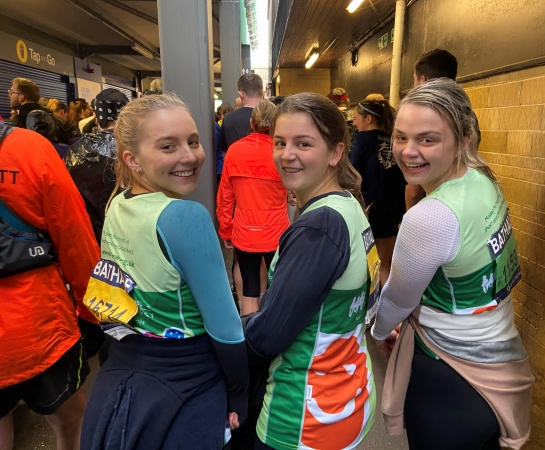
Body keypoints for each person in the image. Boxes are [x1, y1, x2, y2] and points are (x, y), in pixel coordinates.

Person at [371, 78, 534, 450]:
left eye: (427, 139)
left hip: (448, 380)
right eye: (400, 137)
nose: (408, 152)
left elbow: (397, 300)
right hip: (499, 365)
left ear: (463, 140)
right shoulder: (483, 180)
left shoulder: (429, 216)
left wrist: (380, 332)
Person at [80, 94, 249, 449]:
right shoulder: (185, 217)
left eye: (193, 141)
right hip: (187, 381)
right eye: (168, 146)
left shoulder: (118, 203)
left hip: (122, 378)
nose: (189, 156)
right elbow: (227, 328)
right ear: (132, 159)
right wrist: (239, 392)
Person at [244, 93, 378, 449]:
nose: (287, 154)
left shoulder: (318, 228)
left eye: (303, 143)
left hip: (302, 419)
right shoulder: (350, 204)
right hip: (347, 395)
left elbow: (269, 335)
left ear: (335, 153)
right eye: (280, 142)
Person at [0, 123, 101, 450]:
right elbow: (76, 242)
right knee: (71, 424)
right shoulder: (30, 150)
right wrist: (94, 311)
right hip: (40, 330)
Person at [217, 100, 289, 315]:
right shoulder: (281, 153)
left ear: (251, 122)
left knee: (249, 289)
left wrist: (226, 230)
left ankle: (248, 339)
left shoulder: (235, 151)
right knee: (278, 288)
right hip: (277, 230)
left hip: (244, 230)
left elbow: (225, 197)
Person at [351, 99, 406, 288]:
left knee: (365, 263)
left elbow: (353, 174)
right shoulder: (394, 140)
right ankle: (391, 310)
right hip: (392, 209)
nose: (353, 122)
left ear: (367, 119)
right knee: (384, 263)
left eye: (356, 117)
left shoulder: (362, 140)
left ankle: (368, 309)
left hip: (369, 210)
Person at [65, 89, 128, 244]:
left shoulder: (76, 150)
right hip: (129, 236)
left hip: (89, 237)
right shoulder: (137, 146)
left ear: (98, 118)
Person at [406, 49, 459, 209]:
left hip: (436, 206)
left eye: (414, 81)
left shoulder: (424, 115)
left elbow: (414, 192)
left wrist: (412, 217)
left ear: (423, 80)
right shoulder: (466, 114)